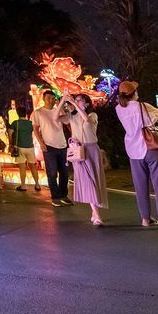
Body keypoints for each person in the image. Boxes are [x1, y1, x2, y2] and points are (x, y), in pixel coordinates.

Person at [116, 80, 158, 229]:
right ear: (134, 93)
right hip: (151, 148)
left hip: (133, 150)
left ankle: (145, 219)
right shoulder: (142, 106)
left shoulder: (119, 108)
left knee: (140, 186)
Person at [62, 93, 108, 225]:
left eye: (80, 100)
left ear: (87, 103)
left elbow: (86, 119)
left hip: (92, 150)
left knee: (95, 180)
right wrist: (63, 101)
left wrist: (73, 103)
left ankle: (94, 212)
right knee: (87, 181)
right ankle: (96, 213)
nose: (76, 101)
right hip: (79, 151)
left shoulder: (92, 115)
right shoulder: (72, 116)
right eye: (75, 100)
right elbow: (56, 118)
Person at [32, 88, 71, 206]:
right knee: (52, 172)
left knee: (64, 172)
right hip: (49, 146)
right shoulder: (38, 112)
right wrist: (41, 143)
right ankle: (55, 197)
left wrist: (60, 106)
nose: (51, 100)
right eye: (48, 98)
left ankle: (64, 195)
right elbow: (35, 129)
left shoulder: (57, 110)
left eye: (53, 98)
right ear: (43, 99)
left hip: (62, 145)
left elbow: (67, 121)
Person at [9, 101, 41, 191]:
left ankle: (23, 185)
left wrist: (11, 144)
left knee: (22, 167)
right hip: (30, 147)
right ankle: (37, 185)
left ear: (17, 113)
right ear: (26, 113)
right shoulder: (30, 123)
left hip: (19, 147)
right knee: (32, 166)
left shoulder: (15, 123)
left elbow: (10, 134)